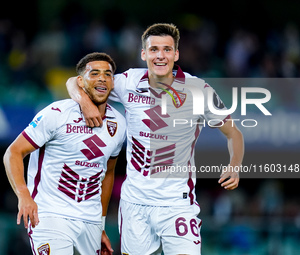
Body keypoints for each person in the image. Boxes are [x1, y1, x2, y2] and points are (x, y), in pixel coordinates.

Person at [66, 23, 244, 255]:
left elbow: (234, 133)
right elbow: (75, 81)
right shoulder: (129, 81)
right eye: (154, 49)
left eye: (167, 49)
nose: (160, 55)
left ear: (176, 54)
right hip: (135, 205)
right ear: (143, 53)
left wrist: (235, 165)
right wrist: (85, 102)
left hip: (177, 205)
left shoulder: (198, 89)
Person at [3, 52, 126, 255]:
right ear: (80, 81)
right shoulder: (56, 113)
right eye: (94, 73)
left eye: (108, 74)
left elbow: (108, 173)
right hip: (50, 214)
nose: (102, 78)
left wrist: (101, 224)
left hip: (90, 220)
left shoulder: (119, 124)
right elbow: (13, 152)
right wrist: (23, 194)